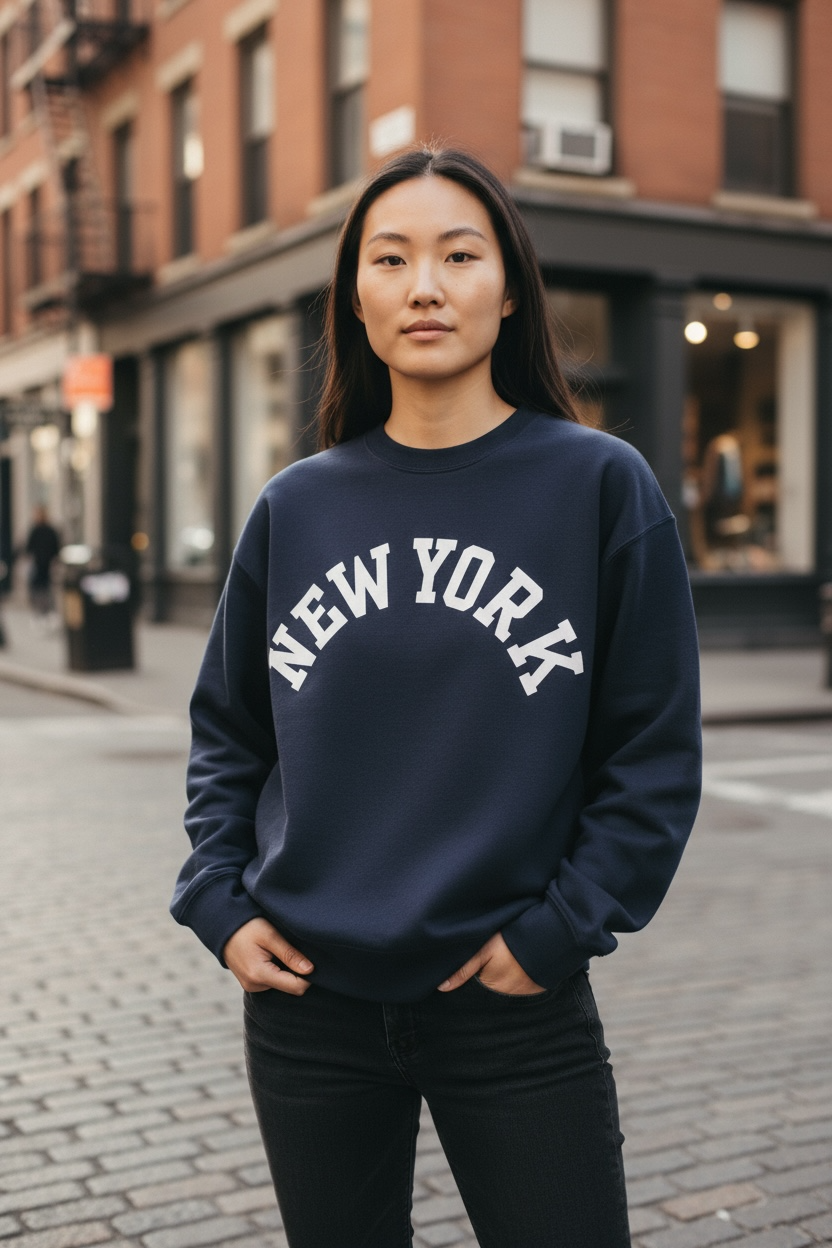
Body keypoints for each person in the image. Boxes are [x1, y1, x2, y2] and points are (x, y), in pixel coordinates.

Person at [171, 146, 702, 1248]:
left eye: (459, 255)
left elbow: (650, 751)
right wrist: (220, 904)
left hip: (511, 1006)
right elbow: (229, 728)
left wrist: (558, 931)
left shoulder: (600, 487)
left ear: (507, 291)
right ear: (354, 298)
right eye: (391, 259)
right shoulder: (296, 507)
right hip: (308, 1009)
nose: (424, 285)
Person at [23, 505, 61, 619]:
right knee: (45, 586)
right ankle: (46, 610)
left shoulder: (36, 530)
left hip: (40, 563)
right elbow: (56, 548)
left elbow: (29, 548)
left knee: (38, 586)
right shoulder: (49, 530)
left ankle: (42, 610)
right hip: (46, 563)